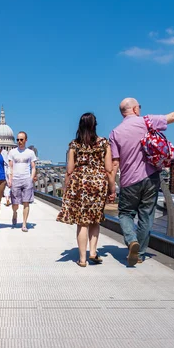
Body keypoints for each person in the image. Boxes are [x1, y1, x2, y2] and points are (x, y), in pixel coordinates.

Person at [110, 98, 174, 266]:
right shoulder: (147, 121)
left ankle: (131, 241)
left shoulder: (115, 133)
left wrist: (111, 186)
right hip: (151, 177)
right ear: (136, 109)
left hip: (129, 180)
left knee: (125, 214)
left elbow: (115, 162)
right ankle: (140, 253)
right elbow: (172, 116)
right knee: (146, 215)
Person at [57, 113, 115, 266]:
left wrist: (66, 188)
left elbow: (69, 170)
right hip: (98, 184)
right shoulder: (104, 143)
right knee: (95, 219)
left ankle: (82, 259)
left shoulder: (74, 144)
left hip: (80, 183)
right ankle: (94, 252)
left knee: (82, 221)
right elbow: (109, 169)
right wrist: (112, 189)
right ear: (95, 125)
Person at [7, 132, 36, 232]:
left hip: (26, 179)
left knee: (26, 202)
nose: (19, 142)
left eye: (21, 139)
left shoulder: (30, 153)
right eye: (18, 140)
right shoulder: (12, 152)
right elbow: (10, 167)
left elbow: (33, 167)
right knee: (15, 204)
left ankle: (24, 224)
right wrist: (10, 179)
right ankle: (15, 213)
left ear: (26, 140)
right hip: (15, 179)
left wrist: (31, 179)